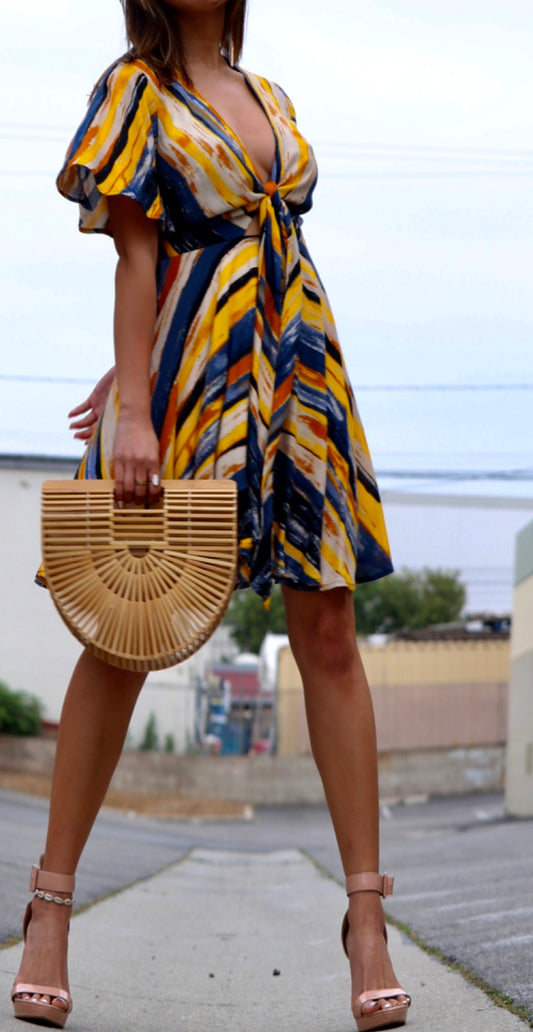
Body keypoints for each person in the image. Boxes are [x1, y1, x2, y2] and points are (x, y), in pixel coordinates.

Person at [11, 1, 410, 1030]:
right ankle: (49, 907)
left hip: (297, 372)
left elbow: (251, 249)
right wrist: (135, 400)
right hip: (189, 391)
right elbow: (140, 258)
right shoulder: (134, 90)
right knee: (129, 631)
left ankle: (366, 919)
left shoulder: (270, 96)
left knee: (326, 630)